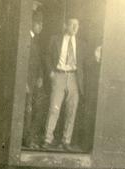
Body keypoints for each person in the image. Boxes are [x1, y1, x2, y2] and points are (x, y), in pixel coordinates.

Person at [42, 17, 84, 151]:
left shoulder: (82, 43)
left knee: (71, 110)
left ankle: (66, 141)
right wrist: (51, 73)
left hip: (73, 78)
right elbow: (47, 55)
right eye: (72, 24)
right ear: (66, 25)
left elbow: (84, 63)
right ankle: (47, 139)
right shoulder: (55, 39)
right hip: (59, 75)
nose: (74, 27)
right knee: (54, 109)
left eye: (77, 25)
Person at [23, 10, 44, 149]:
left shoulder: (35, 40)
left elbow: (38, 61)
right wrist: (23, 81)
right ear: (31, 23)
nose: (40, 26)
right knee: (27, 110)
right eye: (38, 23)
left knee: (34, 108)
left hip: (34, 81)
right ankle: (27, 140)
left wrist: (41, 76)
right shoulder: (25, 39)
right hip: (27, 82)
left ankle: (30, 137)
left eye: (41, 23)